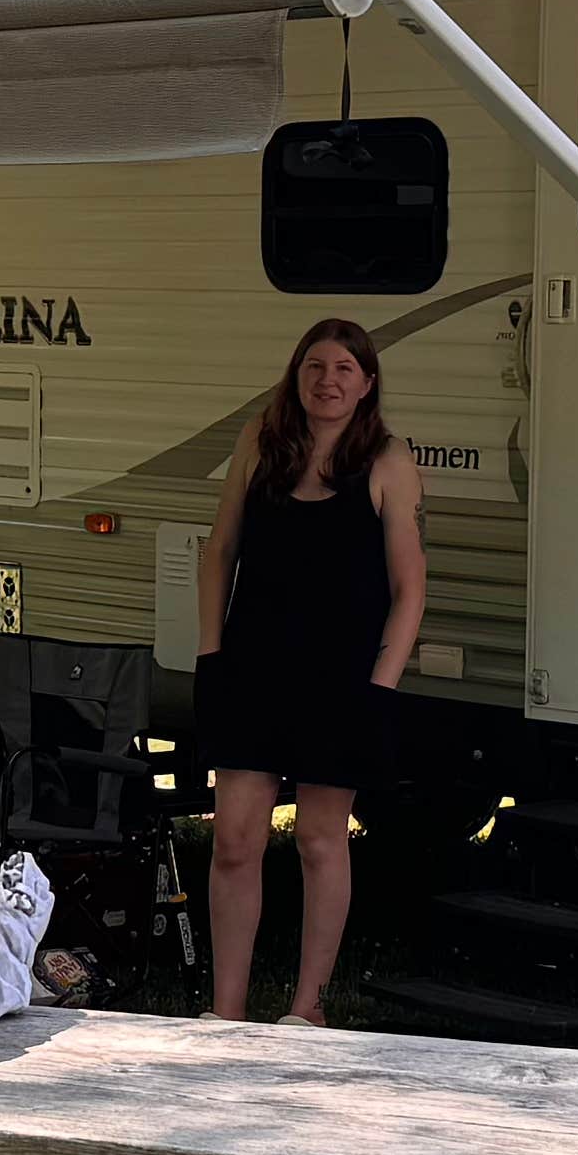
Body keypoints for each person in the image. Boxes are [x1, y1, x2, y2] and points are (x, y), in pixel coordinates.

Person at [191, 314, 427, 1023]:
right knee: (235, 840)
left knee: (322, 840)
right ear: (297, 378)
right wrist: (211, 653)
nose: (328, 381)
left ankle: (307, 1007)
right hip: (252, 669)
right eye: (315, 367)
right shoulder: (260, 446)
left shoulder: (387, 461)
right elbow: (219, 551)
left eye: (344, 370)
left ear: (367, 386)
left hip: (343, 682)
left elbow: (410, 589)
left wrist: (380, 688)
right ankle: (226, 1012)